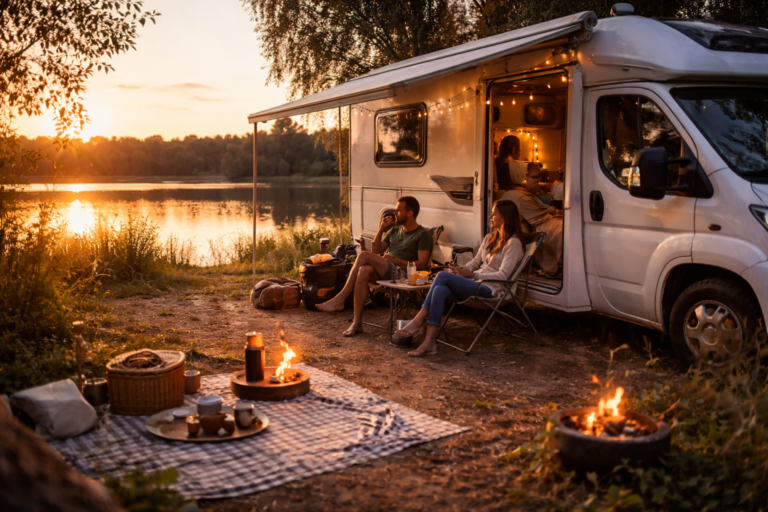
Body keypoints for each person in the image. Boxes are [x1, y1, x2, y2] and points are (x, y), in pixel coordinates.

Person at [394, 200, 525, 357]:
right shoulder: (490, 238)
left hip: (492, 290)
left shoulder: (513, 243)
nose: (490, 216)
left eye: (494, 214)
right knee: (440, 289)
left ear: (504, 217)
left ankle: (418, 321)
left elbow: (503, 275)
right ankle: (429, 342)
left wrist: (473, 275)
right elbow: (475, 263)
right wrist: (460, 270)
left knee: (442, 276)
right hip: (475, 284)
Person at [316, 196, 433, 337]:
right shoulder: (394, 231)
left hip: (404, 274)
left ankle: (340, 298)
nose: (394, 213)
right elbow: (376, 250)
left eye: (398, 210)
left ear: (410, 213)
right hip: (388, 271)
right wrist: (382, 228)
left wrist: (397, 260)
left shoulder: (422, 234)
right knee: (364, 270)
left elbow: (423, 263)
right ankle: (357, 323)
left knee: (363, 255)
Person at [501, 164, 563, 277]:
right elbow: (539, 215)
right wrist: (555, 211)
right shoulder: (521, 197)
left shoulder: (518, 193)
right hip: (537, 223)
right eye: (533, 177)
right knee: (563, 228)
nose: (537, 180)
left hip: (537, 220)